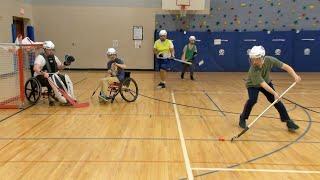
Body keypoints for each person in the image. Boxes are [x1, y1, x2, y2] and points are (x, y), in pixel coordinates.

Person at [239, 45, 301, 132]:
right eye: (252, 59)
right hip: (253, 85)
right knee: (252, 100)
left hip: (266, 81)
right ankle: (243, 118)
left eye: (256, 59)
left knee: (276, 101)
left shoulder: (270, 60)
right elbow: (262, 84)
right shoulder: (253, 70)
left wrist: (295, 76)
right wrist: (275, 93)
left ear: (262, 58)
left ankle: (288, 121)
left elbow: (286, 67)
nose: (254, 61)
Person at [33, 41, 70, 106]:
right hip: (41, 76)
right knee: (51, 79)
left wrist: (65, 64)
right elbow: (35, 68)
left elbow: (60, 67)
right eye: (49, 50)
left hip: (53, 76)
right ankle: (60, 98)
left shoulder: (54, 57)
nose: (51, 51)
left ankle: (70, 96)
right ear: (45, 49)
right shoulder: (40, 57)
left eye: (52, 49)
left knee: (65, 78)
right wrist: (43, 73)